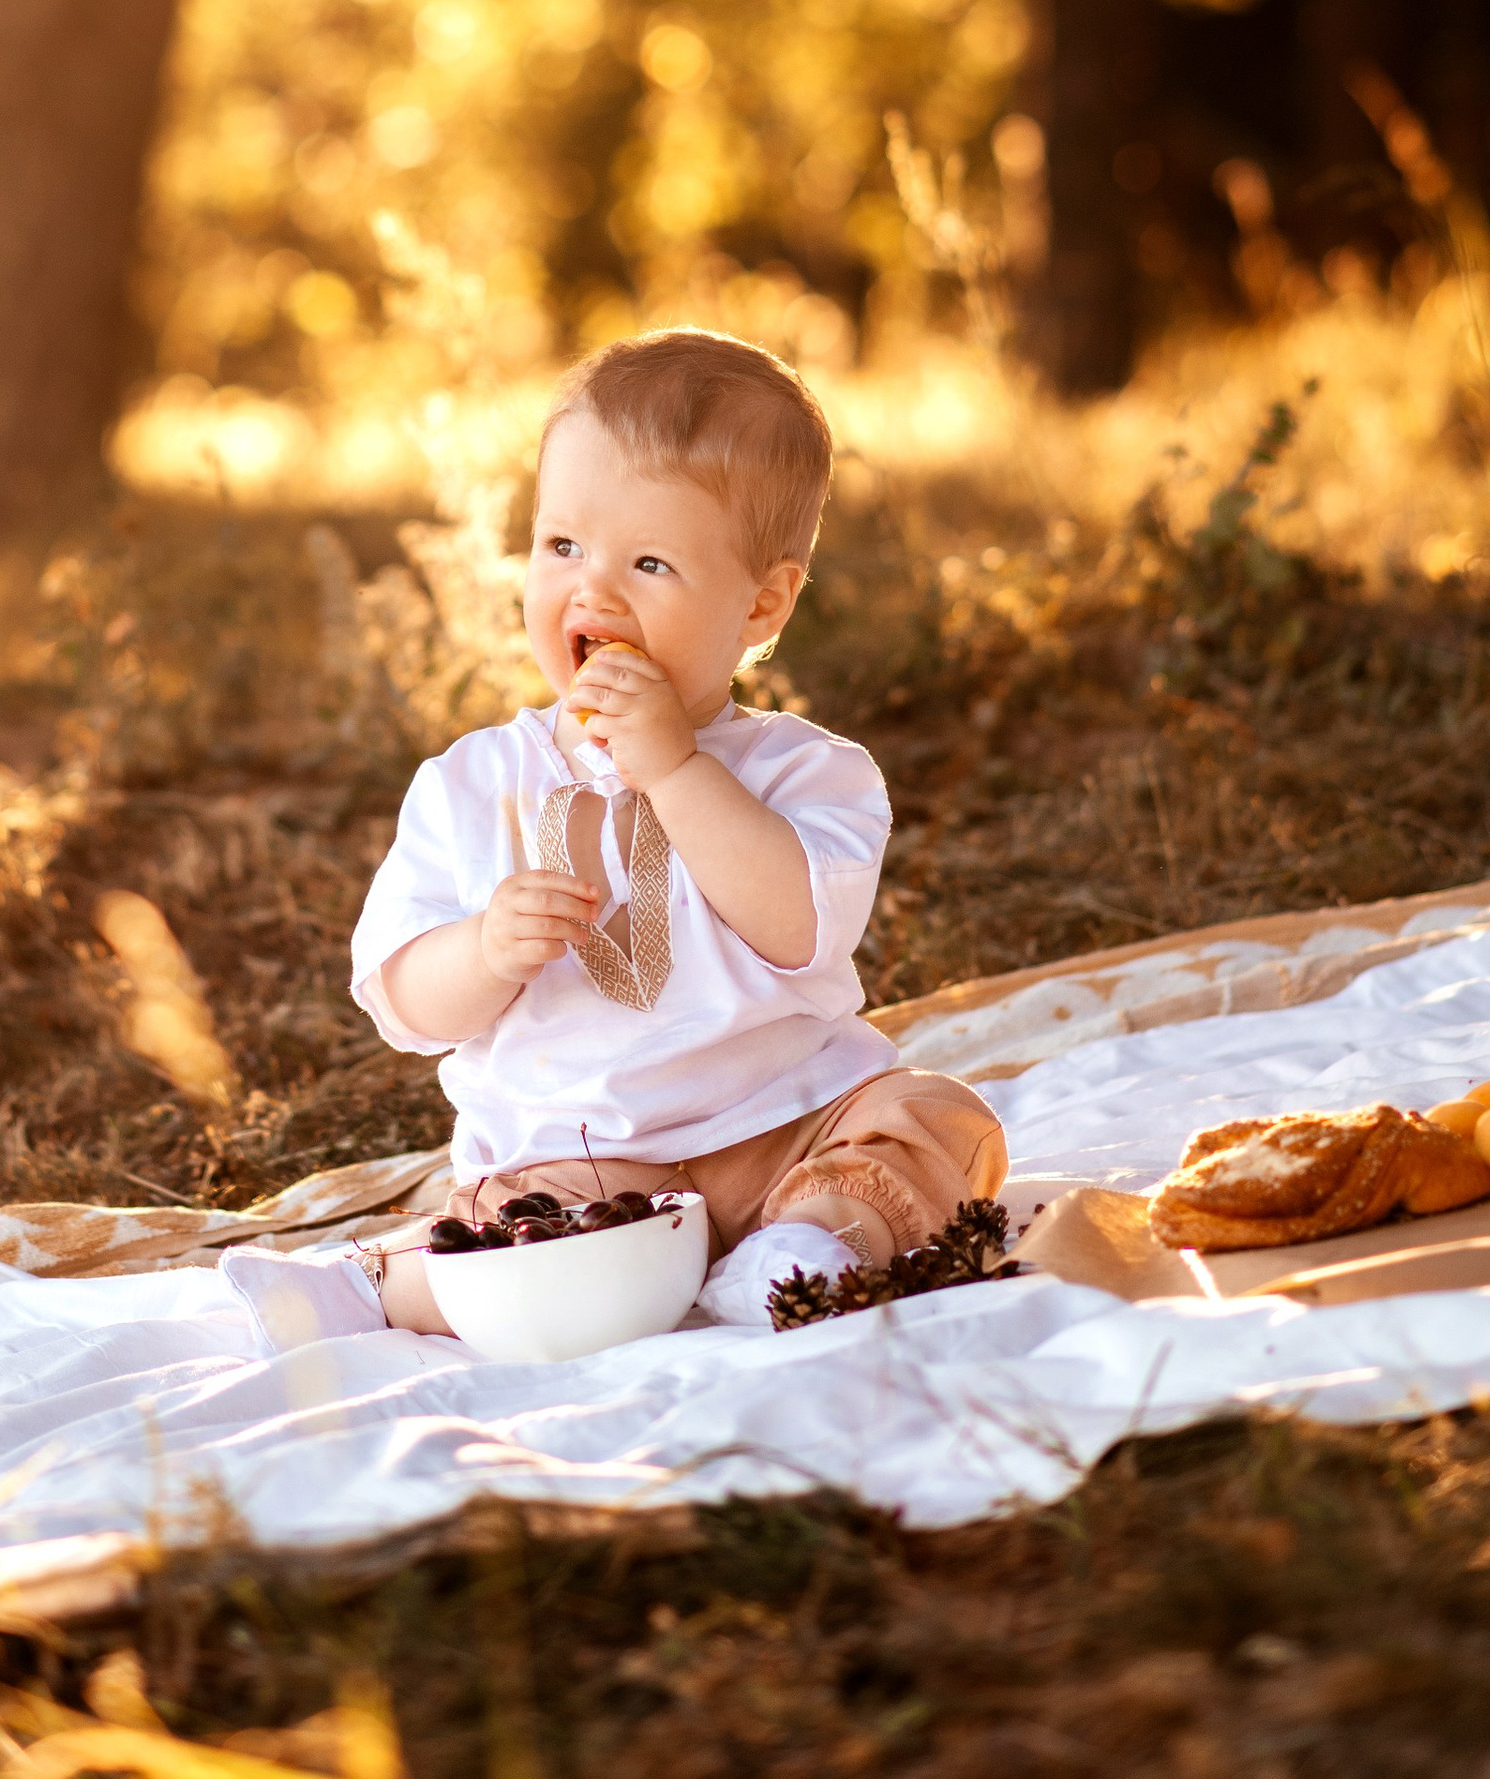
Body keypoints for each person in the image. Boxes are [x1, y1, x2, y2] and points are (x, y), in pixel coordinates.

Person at [346, 327, 1005, 1334]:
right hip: (576, 1154)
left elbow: (799, 929)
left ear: (763, 603)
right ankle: (387, 1286)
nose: (593, 590)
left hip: (788, 1126)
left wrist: (675, 770)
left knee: (937, 1121)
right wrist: (482, 949)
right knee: (518, 1230)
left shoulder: (809, 774)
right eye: (561, 545)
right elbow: (402, 998)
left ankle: (805, 1248)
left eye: (650, 562)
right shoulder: (474, 785)